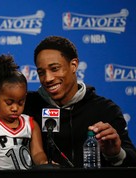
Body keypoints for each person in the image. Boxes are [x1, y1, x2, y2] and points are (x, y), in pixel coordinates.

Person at [23, 35, 136, 168]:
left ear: (74, 65)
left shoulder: (105, 110)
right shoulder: (26, 106)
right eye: (41, 72)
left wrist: (116, 154)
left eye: (54, 69)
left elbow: (132, 161)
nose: (48, 78)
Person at [0, 54, 47, 170]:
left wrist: (44, 163)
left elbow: (37, 152)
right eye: (9, 103)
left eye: (20, 102)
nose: (15, 108)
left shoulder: (31, 124)